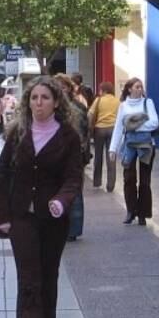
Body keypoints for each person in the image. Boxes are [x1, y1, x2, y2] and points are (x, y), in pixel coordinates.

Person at [0, 76, 83, 318]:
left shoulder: (68, 136)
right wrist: (2, 215)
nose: (38, 103)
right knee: (28, 281)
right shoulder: (18, 133)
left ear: (57, 102)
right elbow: (3, 174)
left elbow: (73, 177)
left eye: (44, 98)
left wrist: (61, 200)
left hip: (53, 221)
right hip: (22, 219)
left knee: (47, 280)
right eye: (34, 98)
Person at [108, 77, 159, 225]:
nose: (140, 89)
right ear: (129, 89)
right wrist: (113, 148)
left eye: (141, 87)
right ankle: (131, 211)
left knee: (145, 181)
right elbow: (119, 127)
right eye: (137, 87)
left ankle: (143, 214)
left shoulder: (147, 102)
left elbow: (154, 123)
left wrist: (132, 126)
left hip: (146, 145)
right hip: (129, 145)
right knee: (129, 179)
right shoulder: (123, 106)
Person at [55, 73, 91, 241]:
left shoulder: (77, 107)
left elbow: (85, 132)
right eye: (58, 87)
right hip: (56, 155)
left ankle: (73, 229)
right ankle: (62, 225)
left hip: (74, 155)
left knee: (74, 191)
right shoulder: (52, 107)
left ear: (69, 88)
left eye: (64, 87)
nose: (61, 90)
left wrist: (82, 153)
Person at [87, 82, 120, 191]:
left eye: (100, 89)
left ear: (103, 90)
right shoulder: (117, 101)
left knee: (98, 156)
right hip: (113, 129)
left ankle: (97, 182)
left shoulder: (99, 100)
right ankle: (110, 185)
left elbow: (90, 114)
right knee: (111, 157)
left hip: (99, 129)